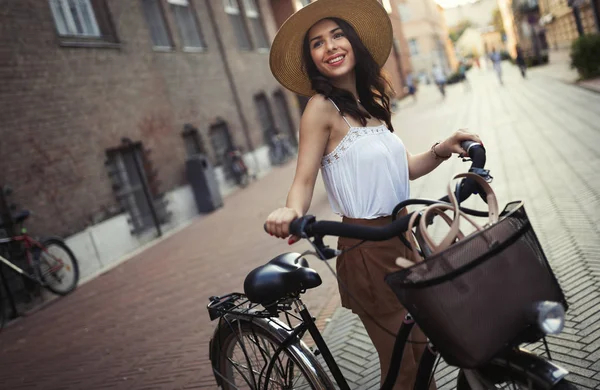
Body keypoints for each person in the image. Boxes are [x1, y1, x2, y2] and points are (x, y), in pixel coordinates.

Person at [265, 0, 482, 388]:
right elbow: (303, 179)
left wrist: (443, 148)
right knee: (405, 369)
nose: (329, 47)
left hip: (403, 238)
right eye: (317, 43)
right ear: (312, 59)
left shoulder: (374, 103)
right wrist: (290, 212)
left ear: (353, 42)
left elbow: (403, 167)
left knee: (424, 359)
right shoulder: (320, 109)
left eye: (337, 35)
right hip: (364, 248)